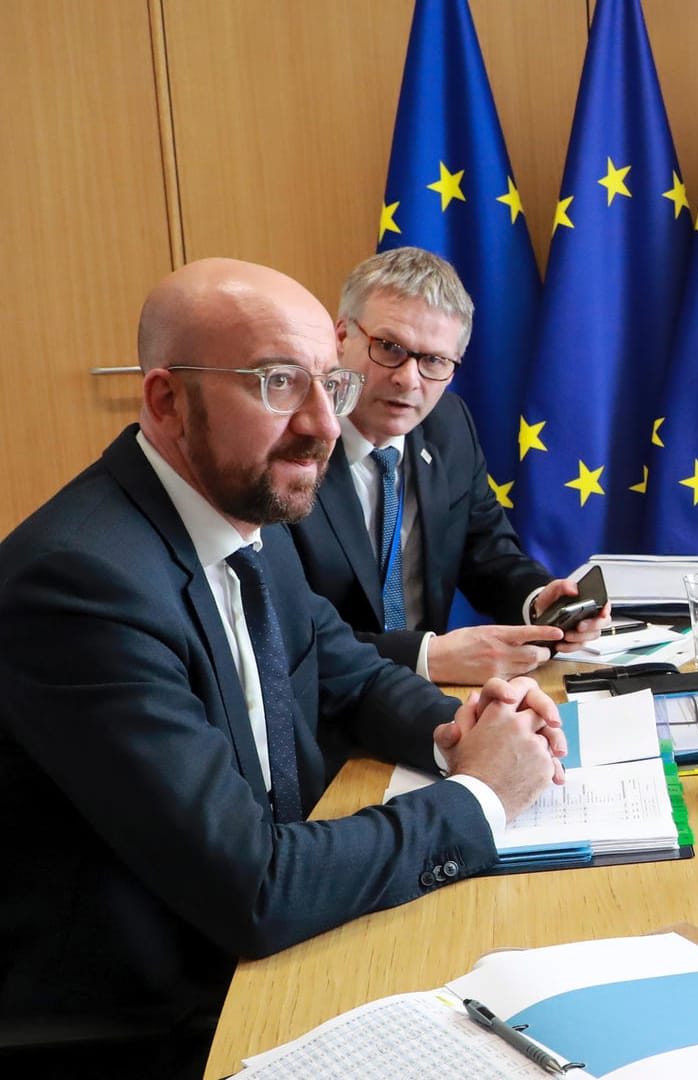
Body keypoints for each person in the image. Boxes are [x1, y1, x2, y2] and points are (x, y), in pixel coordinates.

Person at [0, 259, 569, 1076]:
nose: (325, 426)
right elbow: (255, 889)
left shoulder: (236, 509)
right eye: (275, 383)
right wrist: (480, 796)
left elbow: (344, 668)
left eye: (329, 386)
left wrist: (459, 729)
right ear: (165, 400)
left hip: (267, 950)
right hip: (163, 1015)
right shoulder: (81, 584)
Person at [289, 247, 610, 684]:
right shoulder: (290, 444)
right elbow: (286, 632)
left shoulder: (448, 425)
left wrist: (539, 602)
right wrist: (427, 656)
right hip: (322, 708)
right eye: (389, 347)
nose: (408, 378)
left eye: (433, 361)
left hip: (430, 699)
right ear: (341, 337)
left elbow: (487, 552)